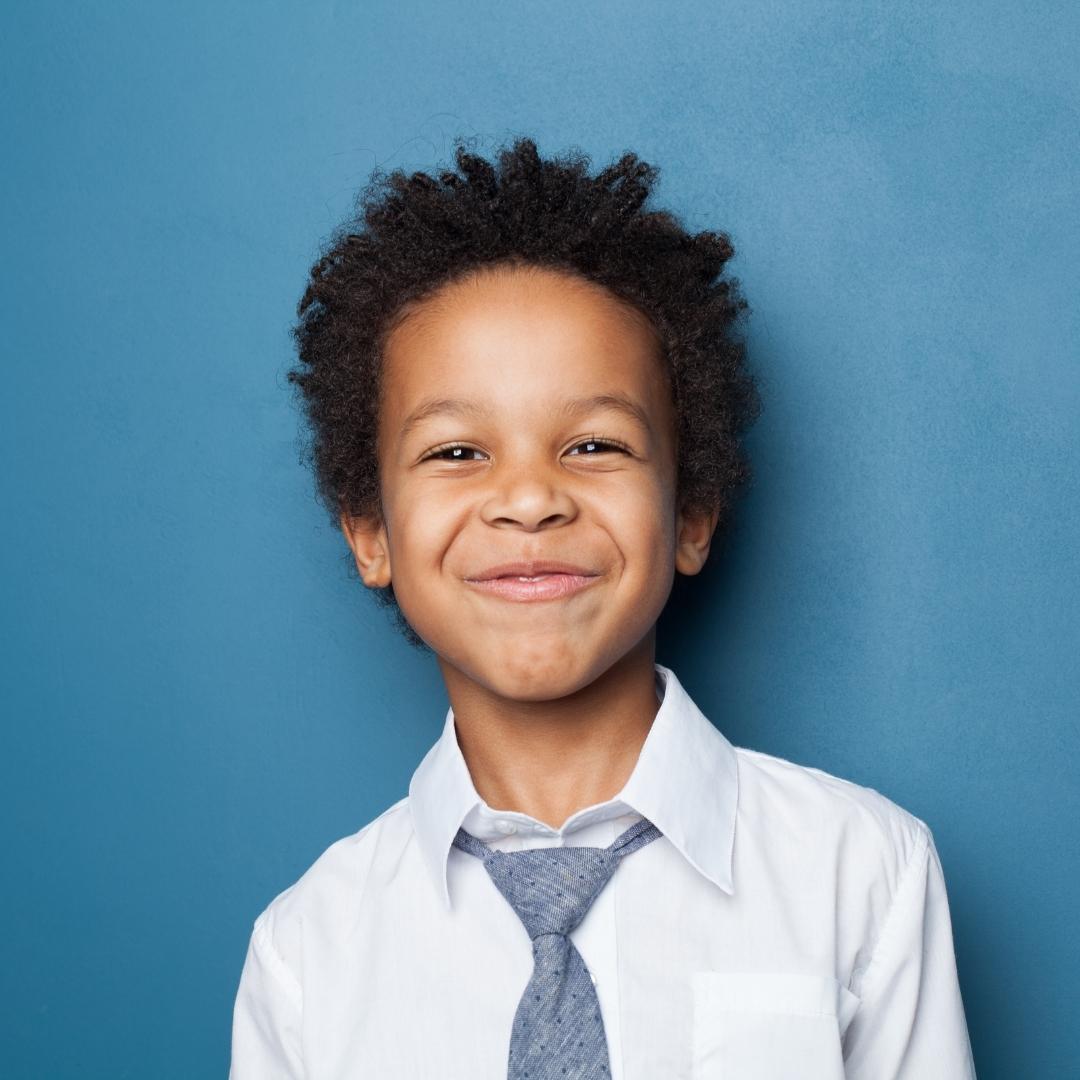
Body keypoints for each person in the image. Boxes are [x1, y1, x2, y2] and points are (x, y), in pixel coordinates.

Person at [228, 136, 977, 1079]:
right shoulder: (308, 952)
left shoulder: (862, 875)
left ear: (692, 515)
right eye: (458, 452)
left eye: (595, 446)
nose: (530, 498)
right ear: (370, 532)